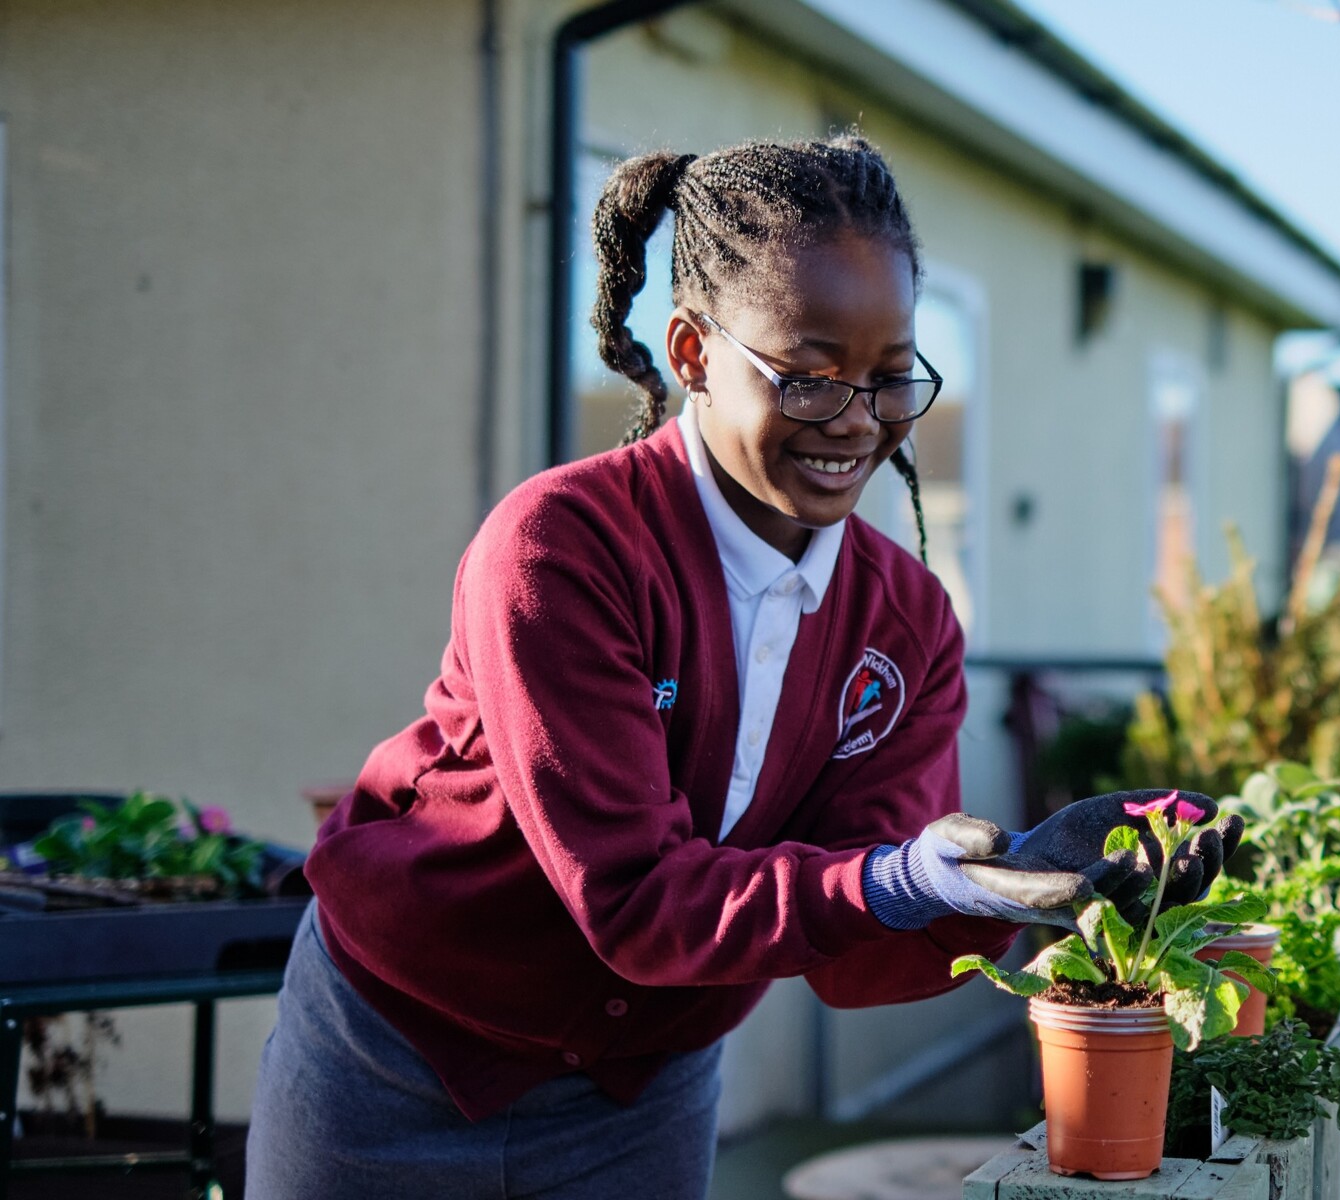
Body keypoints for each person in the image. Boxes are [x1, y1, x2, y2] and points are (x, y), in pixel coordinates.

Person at [244, 135, 1239, 1200]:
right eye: (808, 377)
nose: (856, 420)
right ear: (690, 352)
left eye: (890, 377)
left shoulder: (903, 622)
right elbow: (630, 901)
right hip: (399, 1052)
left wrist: (1027, 888)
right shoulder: (560, 550)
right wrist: (892, 880)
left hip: (645, 1085)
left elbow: (856, 954)